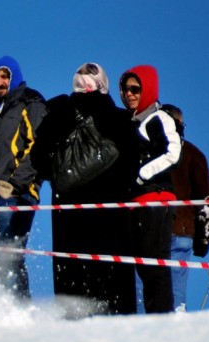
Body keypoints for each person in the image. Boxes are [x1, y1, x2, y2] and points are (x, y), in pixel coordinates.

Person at [31, 63, 140, 316]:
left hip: (69, 220)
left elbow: (38, 160)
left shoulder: (58, 115)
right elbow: (132, 166)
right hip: (112, 220)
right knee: (114, 297)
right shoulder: (120, 119)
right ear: (104, 84)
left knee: (74, 296)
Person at [0, 55, 46, 299]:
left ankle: (19, 309)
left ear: (14, 77)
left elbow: (37, 147)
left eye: (5, 76)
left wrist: (15, 184)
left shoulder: (30, 103)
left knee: (9, 256)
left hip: (16, 193)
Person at [119, 65, 181, 313]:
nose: (129, 94)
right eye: (125, 89)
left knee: (155, 265)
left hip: (156, 198)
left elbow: (173, 152)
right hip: (138, 202)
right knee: (144, 266)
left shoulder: (159, 117)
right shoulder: (132, 122)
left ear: (148, 90)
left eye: (136, 89)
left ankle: (162, 319)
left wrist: (142, 175)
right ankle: (153, 318)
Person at [160, 104, 209, 312]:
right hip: (182, 230)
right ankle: (176, 319)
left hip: (153, 227)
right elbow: (205, 200)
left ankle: (142, 323)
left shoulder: (152, 150)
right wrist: (203, 240)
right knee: (176, 290)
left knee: (145, 285)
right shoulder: (193, 154)